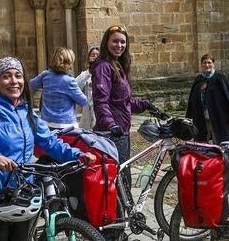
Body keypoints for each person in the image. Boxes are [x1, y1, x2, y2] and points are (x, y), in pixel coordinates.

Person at [0, 56, 95, 241]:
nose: (14, 81)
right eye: (6, 76)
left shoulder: (27, 113)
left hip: (23, 194)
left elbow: (50, 142)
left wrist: (78, 154)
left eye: (18, 76)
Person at [91, 25, 156, 190]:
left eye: (122, 42)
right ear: (106, 42)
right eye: (115, 41)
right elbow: (101, 101)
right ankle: (119, 214)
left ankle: (124, 212)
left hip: (122, 131)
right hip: (112, 134)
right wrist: (110, 124)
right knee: (119, 180)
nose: (119, 45)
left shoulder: (117, 65)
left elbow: (123, 102)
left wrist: (146, 105)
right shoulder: (103, 67)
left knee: (123, 176)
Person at [185, 53, 229, 144]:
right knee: (202, 139)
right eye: (204, 63)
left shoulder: (220, 77)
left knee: (218, 139)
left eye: (209, 62)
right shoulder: (199, 79)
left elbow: (228, 95)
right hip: (202, 115)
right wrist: (199, 89)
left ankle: (220, 156)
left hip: (219, 115)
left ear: (213, 64)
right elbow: (193, 98)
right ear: (201, 64)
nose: (207, 65)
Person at [29, 47, 87, 130]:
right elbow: (83, 101)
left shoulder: (45, 75)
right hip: (66, 125)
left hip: (46, 123)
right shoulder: (69, 81)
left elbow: (31, 84)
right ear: (68, 63)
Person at [75, 46, 100, 130]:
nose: (95, 57)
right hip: (88, 114)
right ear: (89, 58)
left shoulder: (105, 73)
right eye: (93, 55)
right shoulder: (85, 74)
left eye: (98, 55)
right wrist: (89, 72)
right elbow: (75, 85)